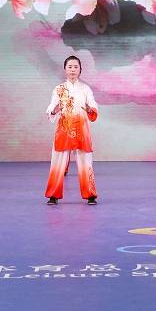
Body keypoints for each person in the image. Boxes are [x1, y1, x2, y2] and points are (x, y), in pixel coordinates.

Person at [45, 56, 99, 205]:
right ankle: (53, 195)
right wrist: (55, 110)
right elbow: (51, 108)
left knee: (86, 163)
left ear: (80, 70)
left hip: (81, 130)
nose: (73, 70)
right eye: (70, 67)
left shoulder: (86, 89)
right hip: (64, 130)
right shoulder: (59, 89)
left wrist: (90, 109)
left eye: (76, 67)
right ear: (65, 69)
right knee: (57, 163)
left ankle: (90, 195)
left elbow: (93, 106)